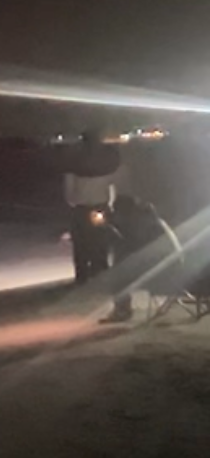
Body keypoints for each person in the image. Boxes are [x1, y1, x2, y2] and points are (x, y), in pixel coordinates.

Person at [106, 190, 182, 321]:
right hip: (173, 268)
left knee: (118, 273)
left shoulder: (140, 222)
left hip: (164, 272)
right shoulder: (149, 218)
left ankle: (122, 311)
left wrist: (114, 234)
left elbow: (135, 247)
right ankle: (122, 309)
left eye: (115, 209)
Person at [63, 128, 119, 283]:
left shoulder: (74, 162)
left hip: (81, 208)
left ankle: (82, 275)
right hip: (101, 206)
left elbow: (68, 190)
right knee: (101, 241)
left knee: (80, 244)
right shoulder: (106, 161)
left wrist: (72, 201)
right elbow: (113, 184)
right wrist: (111, 203)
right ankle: (100, 271)